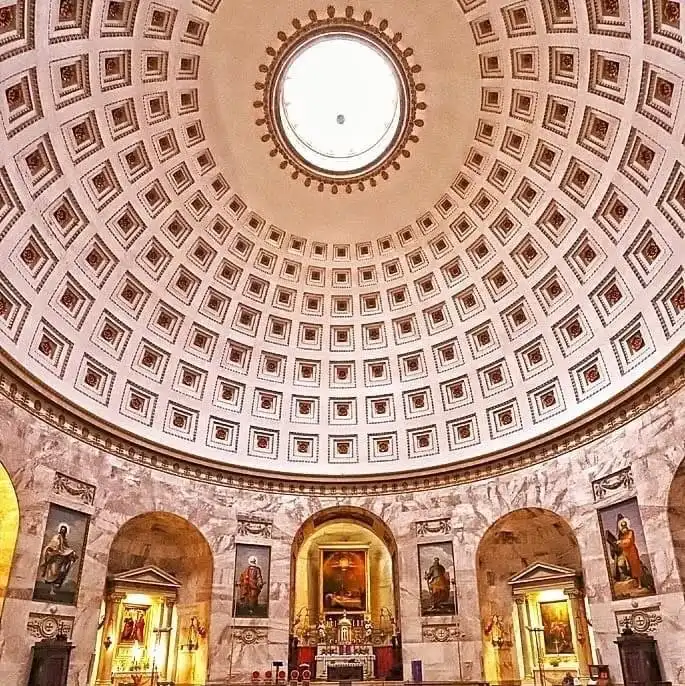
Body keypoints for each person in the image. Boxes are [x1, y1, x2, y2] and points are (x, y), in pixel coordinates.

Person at [39, 523, 77, 595]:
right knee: (53, 573)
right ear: (60, 530)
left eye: (64, 530)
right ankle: (51, 590)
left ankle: (54, 588)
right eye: (62, 530)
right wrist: (55, 550)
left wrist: (71, 552)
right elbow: (53, 546)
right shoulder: (56, 537)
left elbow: (66, 548)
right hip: (54, 558)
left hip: (61, 559)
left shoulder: (65, 540)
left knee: (61, 572)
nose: (63, 532)